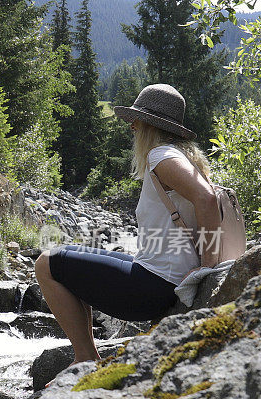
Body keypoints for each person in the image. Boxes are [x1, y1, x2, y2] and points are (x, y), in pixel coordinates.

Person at [34, 84, 222, 365]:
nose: (131, 125)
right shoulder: (183, 156)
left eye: (136, 119)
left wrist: (208, 266)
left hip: (153, 285)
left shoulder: (161, 156)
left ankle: (85, 358)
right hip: (159, 278)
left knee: (46, 264)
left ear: (150, 124)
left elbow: (206, 199)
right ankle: (85, 357)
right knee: (73, 256)